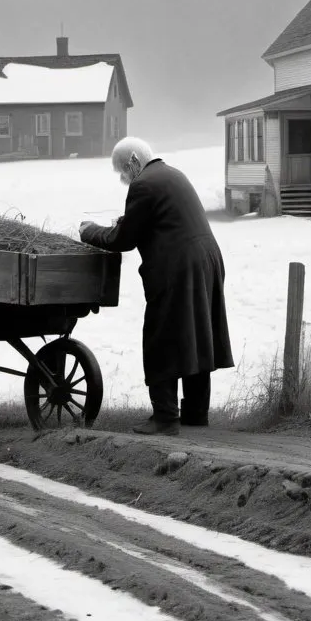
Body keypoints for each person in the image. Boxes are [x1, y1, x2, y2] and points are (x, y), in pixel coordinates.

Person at [79, 137, 234, 436]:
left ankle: (164, 417)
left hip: (178, 266)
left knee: (160, 335)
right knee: (197, 332)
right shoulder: (172, 174)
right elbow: (153, 220)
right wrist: (124, 222)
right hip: (207, 260)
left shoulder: (143, 184)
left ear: (135, 161)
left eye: (124, 171)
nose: (123, 179)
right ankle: (196, 412)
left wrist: (90, 231)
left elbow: (122, 240)